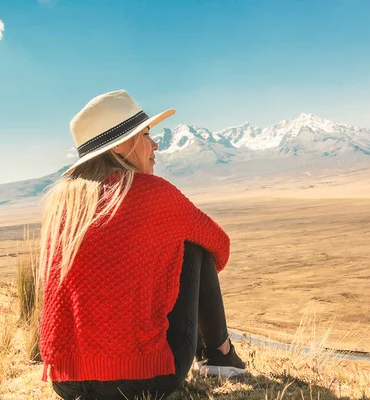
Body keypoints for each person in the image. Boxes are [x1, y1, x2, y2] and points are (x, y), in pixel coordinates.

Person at [39, 90, 246, 400]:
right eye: (147, 135)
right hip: (143, 380)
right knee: (194, 242)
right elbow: (219, 245)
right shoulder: (154, 193)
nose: (155, 145)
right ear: (121, 144)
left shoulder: (61, 201)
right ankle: (219, 355)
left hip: (66, 382)